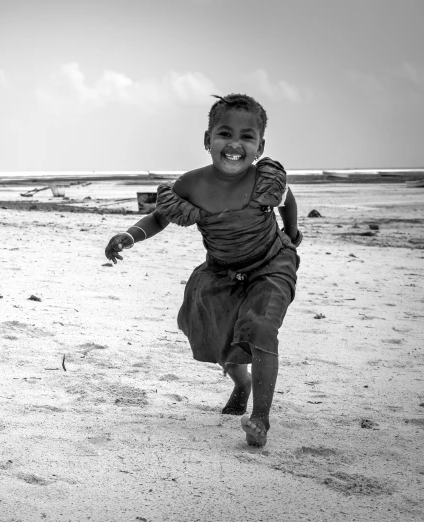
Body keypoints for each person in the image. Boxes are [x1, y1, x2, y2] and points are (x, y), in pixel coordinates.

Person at [105, 94, 301, 447]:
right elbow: (159, 217)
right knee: (220, 337)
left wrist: (292, 232)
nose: (235, 144)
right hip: (221, 273)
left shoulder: (265, 180)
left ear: (260, 146)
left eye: (247, 136)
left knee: (261, 328)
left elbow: (287, 199)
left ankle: (260, 418)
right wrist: (130, 237)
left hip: (271, 264)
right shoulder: (191, 185)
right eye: (225, 134)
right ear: (208, 140)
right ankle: (241, 383)